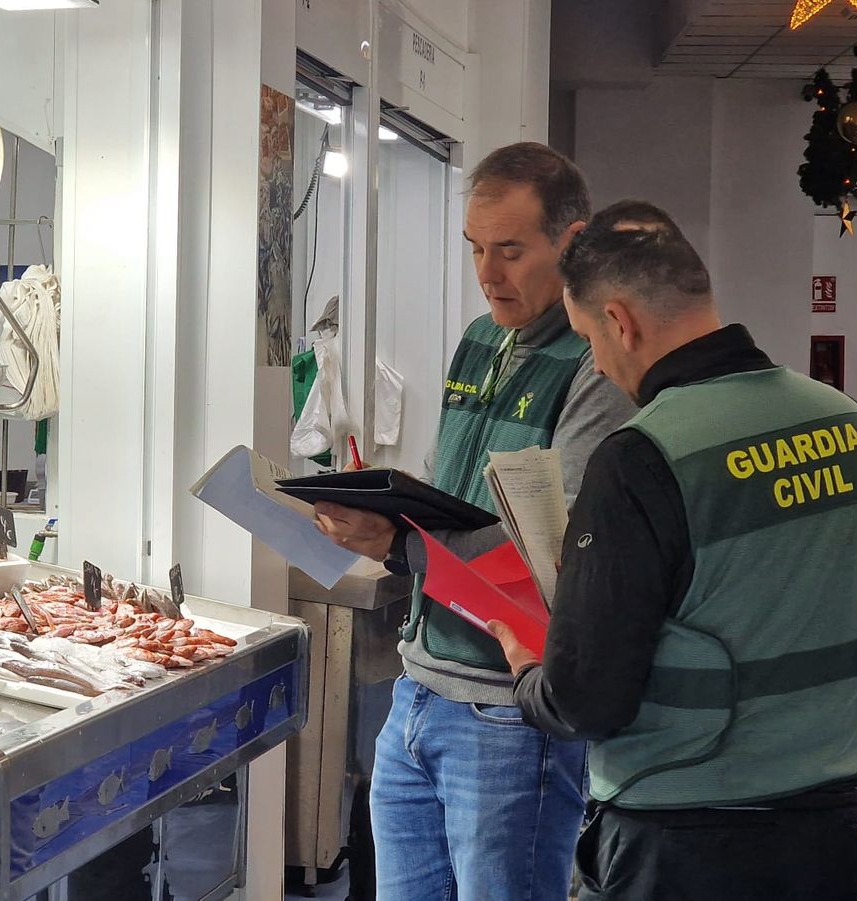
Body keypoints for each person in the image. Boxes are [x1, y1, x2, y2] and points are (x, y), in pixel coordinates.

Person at [487, 201, 857, 900]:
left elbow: (587, 699)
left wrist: (529, 673)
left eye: (589, 338)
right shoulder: (849, 422)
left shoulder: (645, 454)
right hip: (828, 829)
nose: (598, 360)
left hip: (681, 840)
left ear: (620, 321)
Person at [310, 143, 635, 901]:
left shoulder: (596, 367)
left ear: (573, 243)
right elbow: (449, 489)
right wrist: (386, 512)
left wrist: (401, 544)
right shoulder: (480, 338)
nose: (488, 273)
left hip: (507, 708)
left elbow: (558, 552)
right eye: (477, 249)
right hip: (417, 686)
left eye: (511, 251)